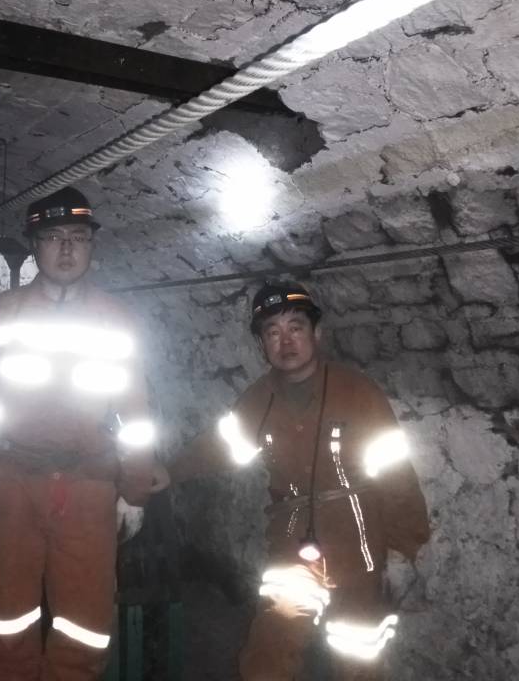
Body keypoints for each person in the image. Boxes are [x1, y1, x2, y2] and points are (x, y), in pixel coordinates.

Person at [162, 281, 431, 680]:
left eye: (296, 328)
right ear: (261, 345)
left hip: (357, 542)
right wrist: (167, 472)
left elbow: (395, 474)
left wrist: (405, 549)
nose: (285, 341)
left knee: (359, 655)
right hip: (292, 543)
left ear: (316, 333)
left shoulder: (358, 392)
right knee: (269, 649)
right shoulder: (258, 400)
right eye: (272, 332)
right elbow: (218, 448)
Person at [0, 187, 158, 681]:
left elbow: (136, 415)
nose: (66, 249)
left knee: (85, 626)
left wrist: (135, 491)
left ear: (91, 245)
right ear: (34, 245)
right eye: (53, 237)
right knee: (7, 619)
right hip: (12, 483)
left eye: (78, 237)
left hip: (89, 487)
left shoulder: (116, 320)